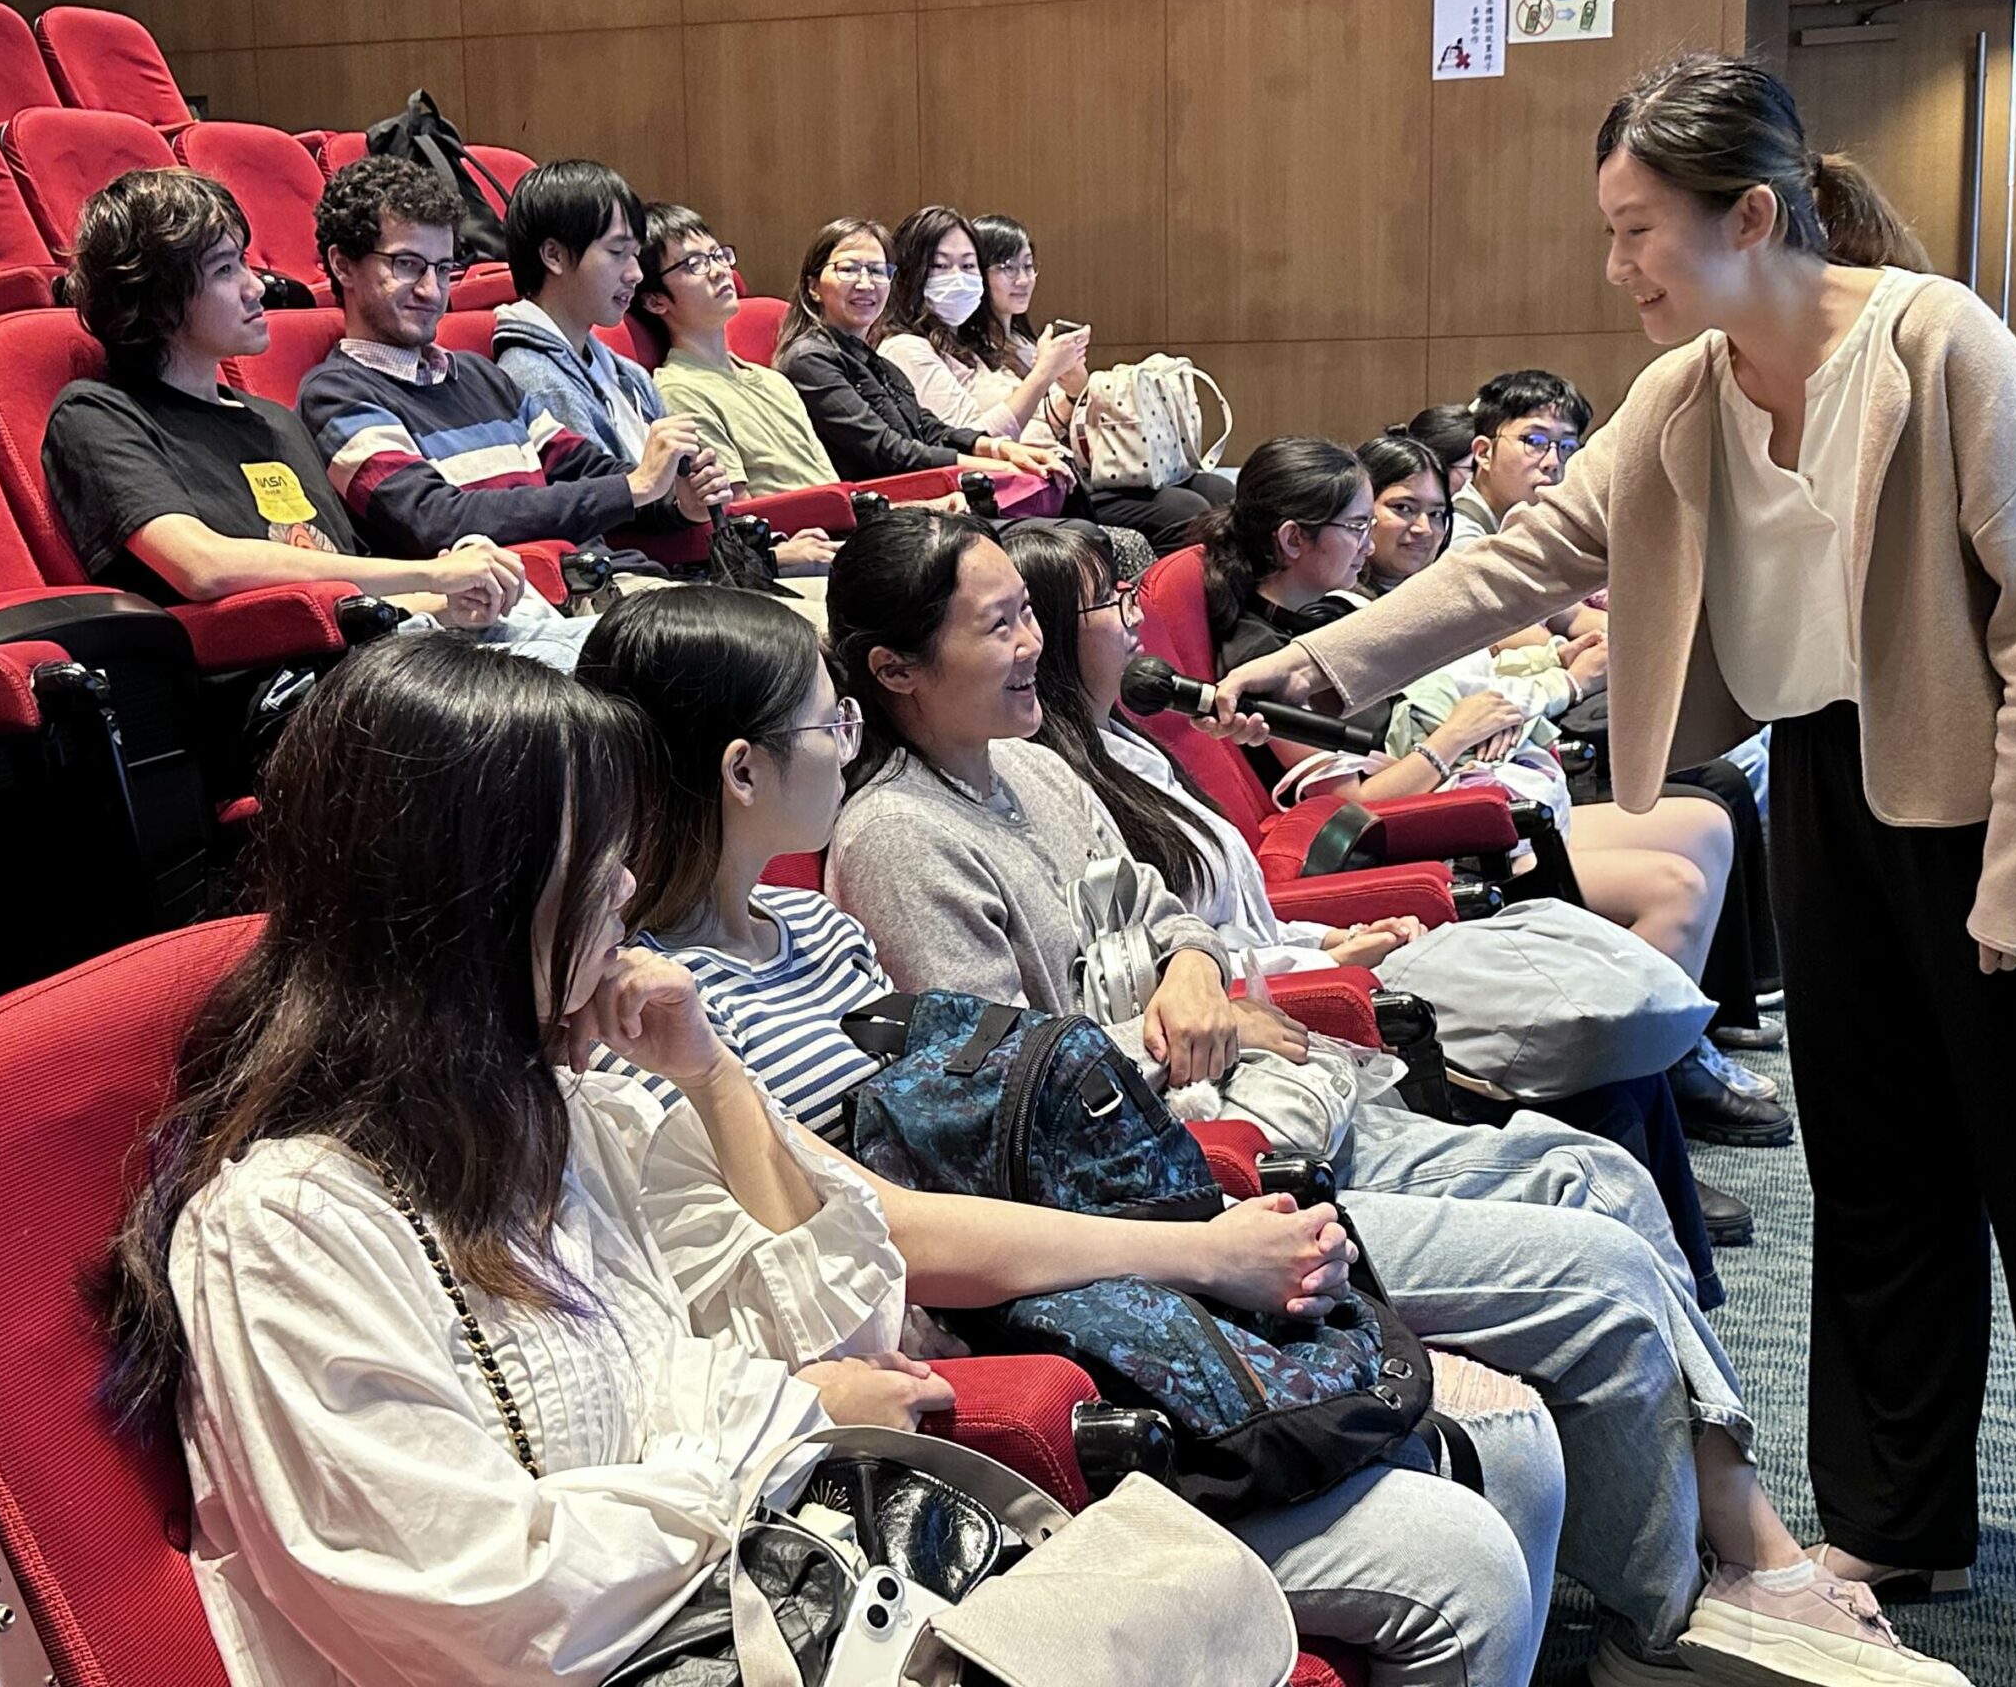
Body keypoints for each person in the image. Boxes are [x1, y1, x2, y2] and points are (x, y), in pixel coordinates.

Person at [1215, 50, 2016, 1687]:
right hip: (1843, 782)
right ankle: (1895, 1516)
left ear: (1752, 217)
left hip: (2015, 780)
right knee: (1884, 1163)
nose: (1619, 265)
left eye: (1641, 230)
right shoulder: (1690, 390)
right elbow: (1534, 558)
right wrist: (1331, 663)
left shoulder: (1935, 350)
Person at [824, 509, 1974, 1687]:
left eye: (1031, 614)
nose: (1036, 645)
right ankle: (1678, 1614)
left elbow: (1167, 918)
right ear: (894, 669)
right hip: (1184, 1192)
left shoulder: (1027, 766)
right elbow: (997, 1114)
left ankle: (1730, 1545)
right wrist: (1188, 1028)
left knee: (1605, 1179)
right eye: (999, 624)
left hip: (1257, 1091)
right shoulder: (900, 840)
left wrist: (1191, 970)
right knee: (1600, 1277)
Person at [576, 585, 1557, 1687]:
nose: (851, 739)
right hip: (990, 1350)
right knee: (1470, 1529)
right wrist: (1208, 1252)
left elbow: (972, 1130)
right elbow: (880, 1226)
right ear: (742, 769)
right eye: (829, 719)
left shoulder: (812, 923)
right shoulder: (660, 1015)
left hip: (1077, 1261)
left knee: (1510, 1433)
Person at [100, 632, 956, 1685]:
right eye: (598, 852)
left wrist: (711, 1076)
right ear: (474, 895)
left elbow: (846, 1324)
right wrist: (779, 1426)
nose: (632, 883)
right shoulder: (289, 1224)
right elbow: (488, 1605)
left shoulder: (562, 1116)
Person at [995, 515, 1737, 1278]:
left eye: (1133, 596)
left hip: (1292, 959)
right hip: (1271, 1013)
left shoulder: (1129, 742)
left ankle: (1681, 1222)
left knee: (1608, 1020)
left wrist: (1328, 941)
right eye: (1112, 605)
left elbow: (1207, 921)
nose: (1138, 618)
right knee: (1596, 1099)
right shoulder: (1053, 786)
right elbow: (1134, 982)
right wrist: (1318, 956)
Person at [1195, 439, 1786, 1147]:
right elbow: (1352, 808)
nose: (1379, 540)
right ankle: (1644, 1096)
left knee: (1704, 824)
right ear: (1294, 538)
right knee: (1674, 885)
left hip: (1461, 787)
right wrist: (1451, 741)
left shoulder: (1337, 612)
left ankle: (1679, 1057)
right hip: (1404, 842)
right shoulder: (1267, 666)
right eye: (1363, 524)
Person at [42, 168, 591, 669]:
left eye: (246, 263)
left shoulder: (271, 420)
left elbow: (352, 577)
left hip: (385, 654)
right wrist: (430, 575)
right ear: (156, 294)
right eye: (225, 268)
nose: (256, 287)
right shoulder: (97, 414)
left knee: (632, 660)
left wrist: (457, 594)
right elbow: (202, 565)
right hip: (282, 688)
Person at [297, 156, 729, 559]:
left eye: (444, 268)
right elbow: (436, 520)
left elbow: (584, 470)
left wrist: (675, 498)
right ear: (343, 265)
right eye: (408, 265)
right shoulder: (337, 394)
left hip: (603, 588)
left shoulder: (479, 376)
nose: (433, 291)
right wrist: (636, 486)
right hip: (496, 620)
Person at [973, 212, 1237, 552]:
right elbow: (983, 436)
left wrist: (1074, 388)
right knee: (1185, 510)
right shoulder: (966, 356)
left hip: (1079, 466)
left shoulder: (1027, 344)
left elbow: (1060, 421)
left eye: (1028, 266)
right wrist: (1044, 374)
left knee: (1219, 491)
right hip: (1041, 481)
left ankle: (1243, 601)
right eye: (1008, 267)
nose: (1023, 279)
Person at [773, 216, 1070, 500]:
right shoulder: (810, 359)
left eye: (878, 271)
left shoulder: (874, 360)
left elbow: (929, 428)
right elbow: (888, 450)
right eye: (849, 269)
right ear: (813, 286)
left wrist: (1001, 450)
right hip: (882, 513)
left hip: (925, 501)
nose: (866, 283)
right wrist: (995, 466)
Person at [623, 201, 841, 573]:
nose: (719, 271)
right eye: (694, 264)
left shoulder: (773, 379)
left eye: (718, 255)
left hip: (840, 534)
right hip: (791, 552)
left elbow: (828, 482)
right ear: (655, 300)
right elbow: (738, 513)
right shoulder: (678, 388)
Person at [489, 157, 669, 465]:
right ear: (554, 255)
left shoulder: (629, 374)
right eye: (617, 253)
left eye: (636, 255)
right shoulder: (536, 382)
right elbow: (606, 504)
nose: (636, 274)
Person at [1453, 370, 1592, 547]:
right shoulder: (1460, 541)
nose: (1553, 462)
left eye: (1567, 446)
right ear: (1484, 452)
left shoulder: (1535, 526)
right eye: (1535, 441)